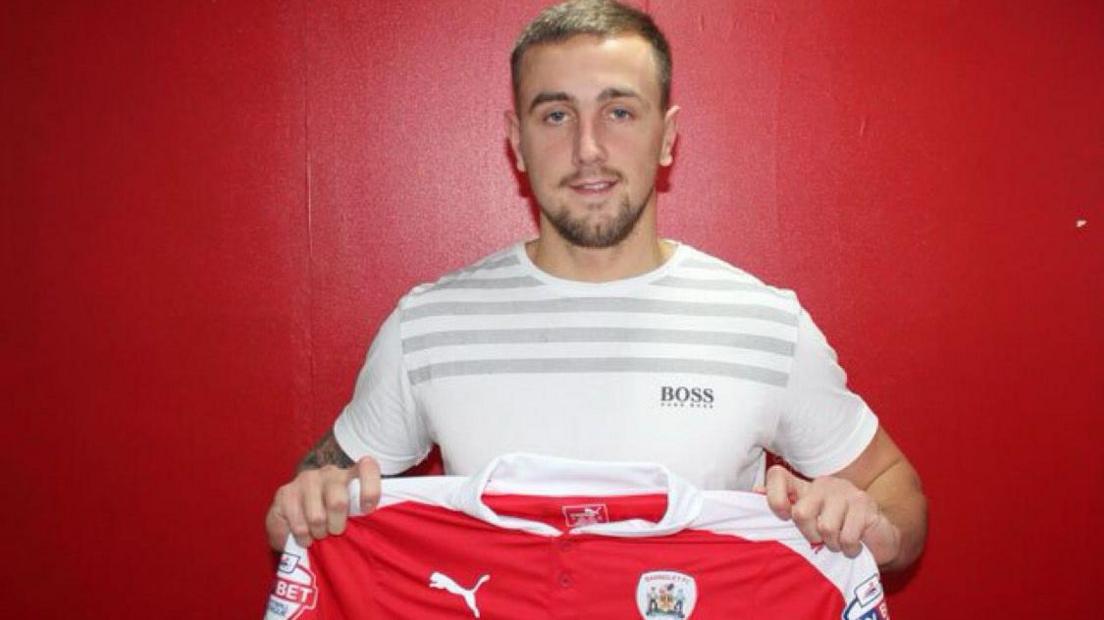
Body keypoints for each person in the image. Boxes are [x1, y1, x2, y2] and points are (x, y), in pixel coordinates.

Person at [265, 0, 926, 573]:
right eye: (555, 115)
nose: (587, 148)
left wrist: (871, 524)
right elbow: (307, 495)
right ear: (515, 143)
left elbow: (898, 495)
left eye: (619, 112)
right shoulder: (429, 326)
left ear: (666, 137)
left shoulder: (764, 325)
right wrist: (305, 502)